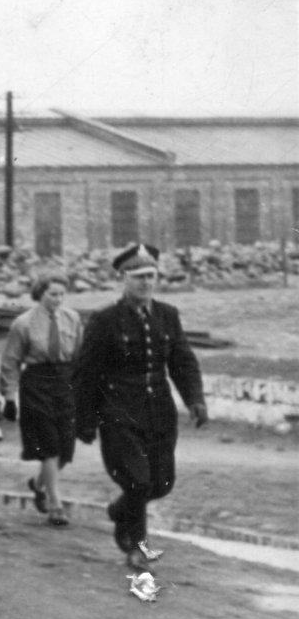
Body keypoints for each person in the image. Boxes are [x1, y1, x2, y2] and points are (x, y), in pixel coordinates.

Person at [74, 244, 206, 569]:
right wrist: (85, 419)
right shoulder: (105, 320)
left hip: (159, 411)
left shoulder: (167, 315)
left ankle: (120, 510)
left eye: (151, 276)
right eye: (138, 277)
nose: (146, 283)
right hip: (119, 411)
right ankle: (137, 547)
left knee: (161, 483)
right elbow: (86, 372)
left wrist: (195, 399)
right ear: (123, 278)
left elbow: (182, 361)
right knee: (138, 480)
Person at [0, 274, 83, 527]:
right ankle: (55, 505)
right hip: (37, 383)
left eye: (61, 294)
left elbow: (80, 356)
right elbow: (11, 361)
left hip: (65, 382)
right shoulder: (23, 323)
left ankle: (38, 485)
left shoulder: (72, 318)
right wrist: (9, 396)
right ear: (40, 294)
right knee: (49, 445)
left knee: (66, 449)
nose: (58, 299)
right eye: (52, 294)